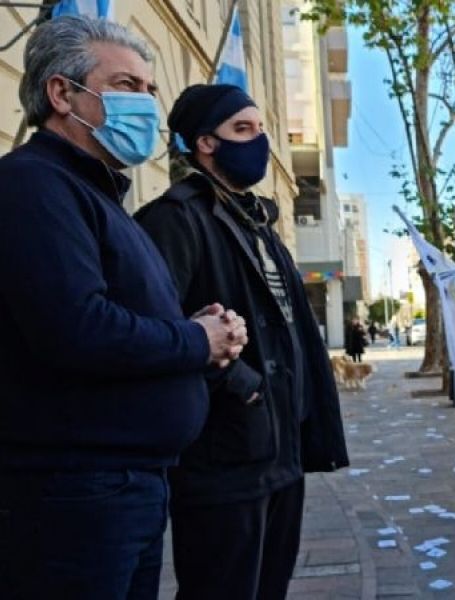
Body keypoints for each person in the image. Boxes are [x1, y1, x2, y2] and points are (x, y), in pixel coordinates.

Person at [0, 17, 249, 600]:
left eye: (149, 90)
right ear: (63, 94)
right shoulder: (33, 186)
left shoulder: (100, 193)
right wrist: (195, 341)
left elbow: (118, 316)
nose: (146, 105)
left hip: (124, 489)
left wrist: (201, 331)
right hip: (74, 496)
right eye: (128, 86)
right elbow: (77, 328)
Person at [136, 83, 349, 599]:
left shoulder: (259, 223)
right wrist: (242, 383)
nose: (259, 141)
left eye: (261, 129)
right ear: (205, 143)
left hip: (280, 453)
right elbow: (154, 328)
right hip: (223, 461)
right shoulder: (175, 219)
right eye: (243, 129)